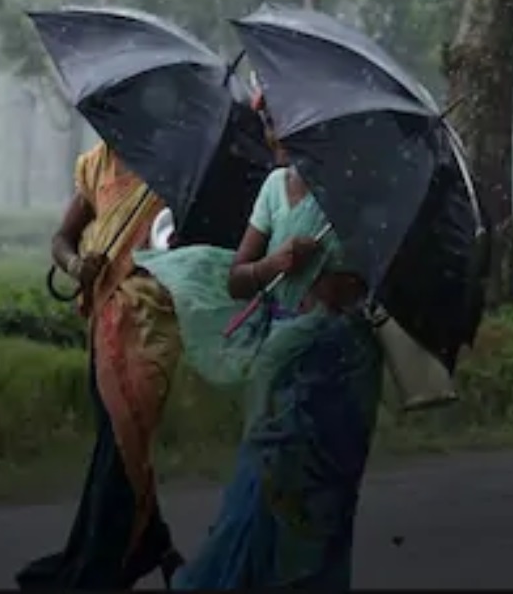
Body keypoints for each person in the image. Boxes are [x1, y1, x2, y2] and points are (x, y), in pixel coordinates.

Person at [135, 94, 385, 589]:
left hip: (334, 367)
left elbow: (367, 281)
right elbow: (238, 280)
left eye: (281, 124)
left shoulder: (349, 198)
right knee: (261, 482)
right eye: (270, 124)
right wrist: (276, 264)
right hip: (280, 361)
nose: (273, 136)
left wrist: (338, 283)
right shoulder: (274, 187)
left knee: (318, 499)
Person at [16, 141, 185, 590]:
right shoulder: (95, 165)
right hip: (105, 325)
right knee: (117, 450)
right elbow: (61, 239)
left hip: (152, 330)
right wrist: (76, 264)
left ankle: (102, 572)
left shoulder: (174, 167)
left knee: (124, 447)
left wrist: (167, 250)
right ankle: (153, 545)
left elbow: (187, 248)